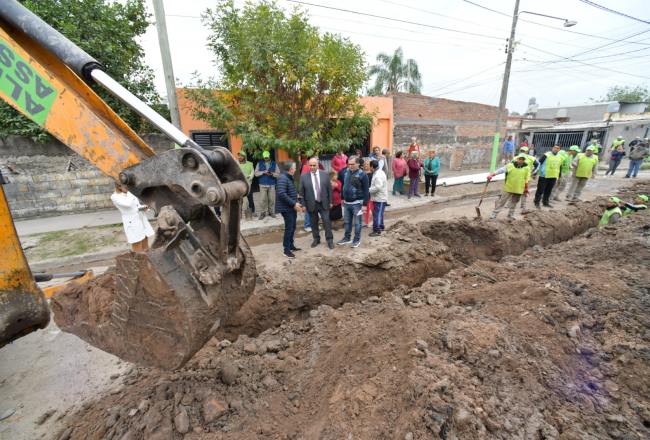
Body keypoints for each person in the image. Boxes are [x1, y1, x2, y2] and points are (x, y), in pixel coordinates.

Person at [299, 157, 334, 249]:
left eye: (314, 165)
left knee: (326, 222)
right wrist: (303, 205)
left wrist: (330, 201)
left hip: (324, 203)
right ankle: (316, 239)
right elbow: (301, 193)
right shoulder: (303, 177)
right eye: (310, 165)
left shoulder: (325, 174)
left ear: (318, 165)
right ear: (308, 165)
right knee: (313, 223)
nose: (312, 167)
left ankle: (329, 240)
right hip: (311, 203)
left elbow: (329, 189)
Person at [111, 182, 154, 252]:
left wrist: (143, 207)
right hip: (132, 221)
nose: (129, 189)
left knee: (145, 239)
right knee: (137, 241)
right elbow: (128, 204)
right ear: (119, 187)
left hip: (140, 218)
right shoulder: (115, 196)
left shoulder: (128, 194)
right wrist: (131, 192)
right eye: (127, 187)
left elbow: (136, 206)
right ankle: (138, 261)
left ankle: (147, 258)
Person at [337, 156, 369, 248]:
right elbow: (344, 185)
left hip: (357, 203)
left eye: (352, 164)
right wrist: (342, 198)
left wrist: (365, 205)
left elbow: (366, 191)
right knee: (347, 222)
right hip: (346, 203)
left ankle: (356, 240)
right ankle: (347, 238)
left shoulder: (363, 175)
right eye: (349, 164)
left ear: (358, 164)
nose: (350, 166)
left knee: (358, 223)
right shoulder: (346, 172)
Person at [487, 154, 530, 219]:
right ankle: (494, 214)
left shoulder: (527, 168)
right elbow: (501, 170)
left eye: (522, 159)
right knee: (502, 201)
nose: (521, 161)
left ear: (524, 160)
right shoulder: (510, 166)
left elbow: (526, 180)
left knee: (514, 202)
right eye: (520, 159)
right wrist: (492, 175)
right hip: (508, 187)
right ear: (517, 159)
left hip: (519, 189)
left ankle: (510, 215)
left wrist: (526, 189)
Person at [275, 160, 303, 258]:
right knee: (289, 228)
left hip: (290, 207)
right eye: (295, 168)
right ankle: (286, 250)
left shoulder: (287, 177)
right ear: (291, 169)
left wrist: (296, 196)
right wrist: (294, 203)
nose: (295, 169)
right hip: (286, 208)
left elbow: (288, 191)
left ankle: (291, 245)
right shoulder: (282, 178)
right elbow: (282, 194)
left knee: (293, 227)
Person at [255, 150, 279, 219]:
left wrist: (272, 174)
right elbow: (256, 173)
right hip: (262, 184)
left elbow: (278, 174)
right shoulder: (259, 163)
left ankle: (271, 212)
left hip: (272, 184)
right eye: (265, 157)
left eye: (267, 157)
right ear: (263, 157)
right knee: (262, 199)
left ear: (269, 156)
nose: (266, 158)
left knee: (272, 199)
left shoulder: (274, 163)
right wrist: (263, 172)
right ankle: (263, 213)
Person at [516, 146, 539, 212]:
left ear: (527, 152)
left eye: (524, 151)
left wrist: (533, 172)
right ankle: (510, 204)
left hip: (526, 178)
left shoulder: (531, 158)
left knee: (524, 191)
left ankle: (523, 205)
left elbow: (538, 164)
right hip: (517, 178)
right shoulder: (516, 158)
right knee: (514, 190)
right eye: (521, 151)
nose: (522, 152)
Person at [368, 159, 388, 237]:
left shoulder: (378, 175)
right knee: (380, 214)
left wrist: (368, 190)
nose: (370, 168)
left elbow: (378, 187)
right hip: (379, 197)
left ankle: (377, 230)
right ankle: (381, 226)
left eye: (370, 167)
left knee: (377, 214)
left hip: (380, 198)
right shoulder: (379, 172)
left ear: (372, 167)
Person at [237, 151, 254, 220]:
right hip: (239, 185)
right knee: (240, 200)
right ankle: (239, 214)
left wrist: (249, 177)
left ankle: (252, 212)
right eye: (239, 156)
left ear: (244, 157)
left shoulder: (250, 164)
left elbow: (252, 172)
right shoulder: (236, 163)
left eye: (241, 156)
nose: (239, 157)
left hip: (248, 184)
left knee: (250, 199)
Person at [362, 159, 374, 228]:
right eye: (365, 164)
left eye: (367, 164)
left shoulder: (371, 175)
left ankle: (368, 222)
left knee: (368, 209)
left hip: (368, 194)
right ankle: (365, 221)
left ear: (370, 166)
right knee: (364, 209)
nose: (366, 165)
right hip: (362, 194)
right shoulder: (361, 173)